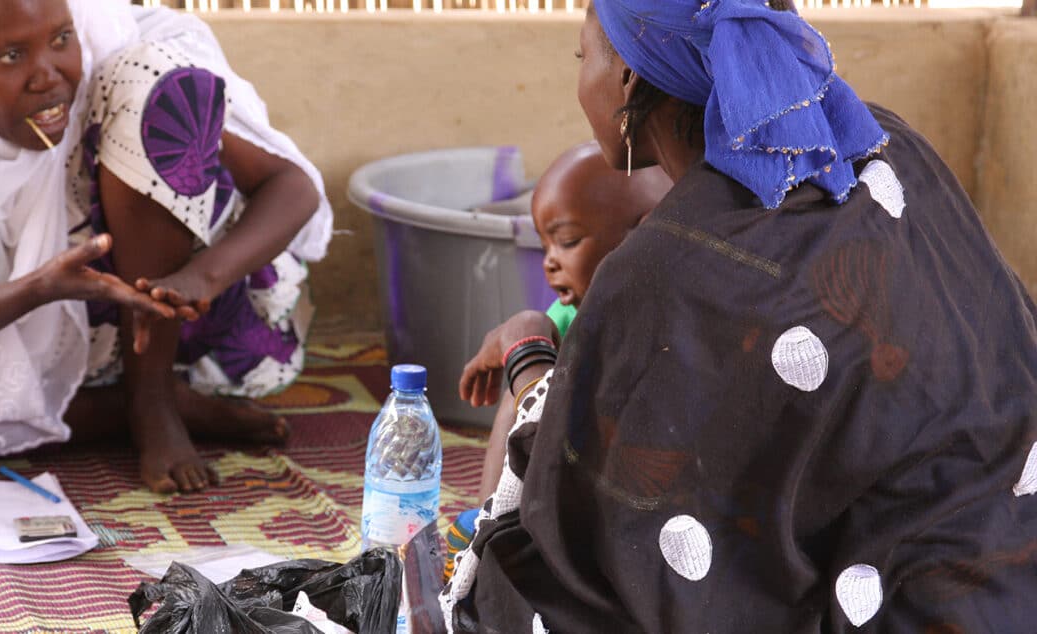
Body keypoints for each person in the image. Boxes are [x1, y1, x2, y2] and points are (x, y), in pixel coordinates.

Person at [441, 0, 1037, 631]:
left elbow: (591, 520)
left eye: (582, 55)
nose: (578, 74)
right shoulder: (884, 142)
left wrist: (528, 355)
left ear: (631, 78)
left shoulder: (671, 267)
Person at [0, 0, 331, 494]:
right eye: (10, 55)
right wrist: (37, 289)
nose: (48, 74)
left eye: (61, 37)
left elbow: (292, 187)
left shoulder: (121, 53)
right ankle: (120, 411)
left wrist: (201, 278)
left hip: (196, 334)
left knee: (155, 83)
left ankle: (155, 403)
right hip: (36, 357)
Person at [462, 142, 670, 502]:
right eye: (545, 247)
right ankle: (487, 517)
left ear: (647, 232)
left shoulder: (673, 317)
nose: (550, 262)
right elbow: (524, 408)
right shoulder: (564, 318)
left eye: (568, 241)